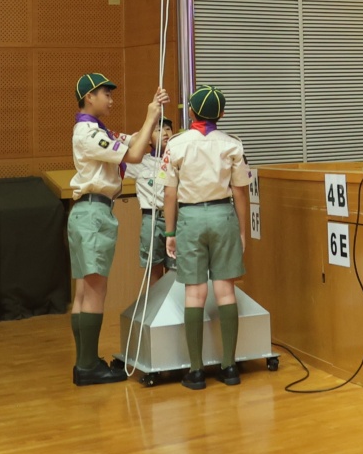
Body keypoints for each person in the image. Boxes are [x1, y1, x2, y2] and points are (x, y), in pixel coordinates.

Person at [68, 74, 167, 385]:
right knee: (95, 290)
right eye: (105, 94)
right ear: (89, 97)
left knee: (83, 291)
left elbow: (133, 140)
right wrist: (151, 115)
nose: (111, 100)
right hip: (93, 214)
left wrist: (151, 123)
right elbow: (134, 155)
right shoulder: (88, 132)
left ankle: (85, 362)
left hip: (87, 213)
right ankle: (87, 367)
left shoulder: (98, 130)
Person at [161, 85, 253, 390]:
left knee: (195, 294)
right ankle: (229, 367)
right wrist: (242, 230)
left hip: (189, 219)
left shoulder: (176, 144)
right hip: (223, 216)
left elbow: (169, 192)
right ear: (222, 114)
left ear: (190, 112)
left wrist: (170, 232)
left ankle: (197, 370)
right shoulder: (232, 144)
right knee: (225, 291)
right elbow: (241, 192)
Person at [131, 117, 175, 287]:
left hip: (176, 219)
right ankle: (155, 303)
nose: (165, 133)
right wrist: (140, 136)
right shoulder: (138, 162)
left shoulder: (179, 160)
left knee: (175, 269)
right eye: (158, 129)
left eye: (168, 129)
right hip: (152, 219)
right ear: (148, 138)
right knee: (153, 269)